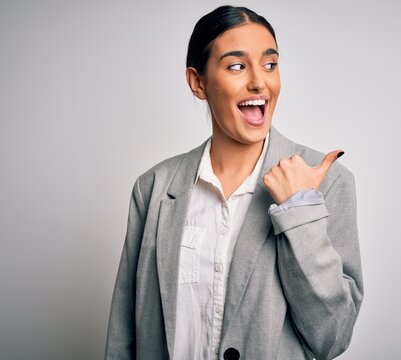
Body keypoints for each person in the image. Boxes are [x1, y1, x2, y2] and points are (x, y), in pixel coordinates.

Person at [105, 5, 363, 360]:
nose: (259, 81)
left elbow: (332, 337)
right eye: (237, 66)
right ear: (199, 83)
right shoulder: (153, 187)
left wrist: (299, 209)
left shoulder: (326, 181)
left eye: (270, 64)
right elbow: (125, 333)